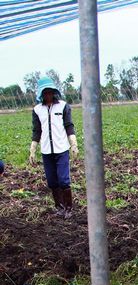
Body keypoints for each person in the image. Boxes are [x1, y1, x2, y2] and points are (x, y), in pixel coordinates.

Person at [29, 77, 79, 218]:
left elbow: (69, 126)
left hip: (61, 149)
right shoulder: (37, 110)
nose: (48, 95)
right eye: (45, 93)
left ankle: (69, 208)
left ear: (54, 92)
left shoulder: (63, 106)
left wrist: (73, 144)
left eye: (50, 92)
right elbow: (37, 130)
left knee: (63, 180)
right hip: (46, 150)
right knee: (52, 181)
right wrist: (33, 149)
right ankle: (60, 207)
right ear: (41, 94)